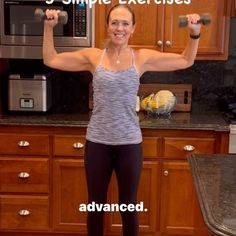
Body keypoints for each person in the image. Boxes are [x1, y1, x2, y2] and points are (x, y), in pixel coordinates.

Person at [43, 4, 201, 236]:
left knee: (128, 207)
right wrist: (49, 28)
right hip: (98, 143)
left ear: (133, 28)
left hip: (129, 144)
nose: (119, 28)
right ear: (107, 26)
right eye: (114, 22)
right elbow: (51, 59)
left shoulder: (141, 58)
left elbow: (186, 60)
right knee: (95, 206)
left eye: (125, 23)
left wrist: (194, 33)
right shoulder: (93, 56)